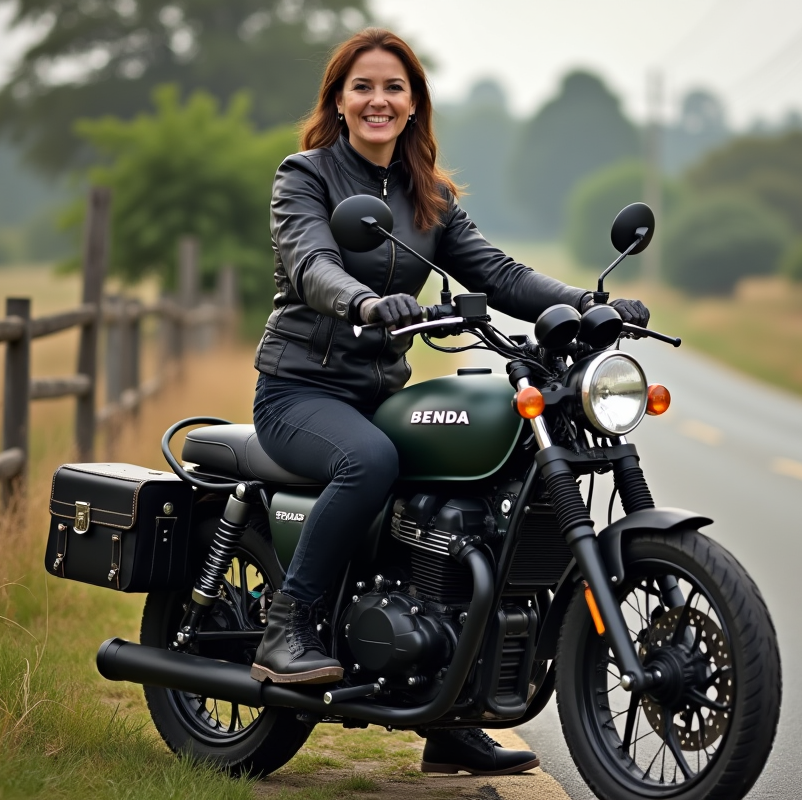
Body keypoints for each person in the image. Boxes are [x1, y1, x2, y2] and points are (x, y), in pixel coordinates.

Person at [248, 27, 649, 775]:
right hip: (301, 388)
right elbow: (310, 264)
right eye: (363, 86)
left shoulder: (429, 196)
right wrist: (366, 304)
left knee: (487, 493)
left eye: (393, 88)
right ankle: (288, 622)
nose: (378, 99)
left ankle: (449, 707)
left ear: (413, 106)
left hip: (378, 391)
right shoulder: (305, 176)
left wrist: (590, 306)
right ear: (339, 100)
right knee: (370, 461)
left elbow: (495, 272)